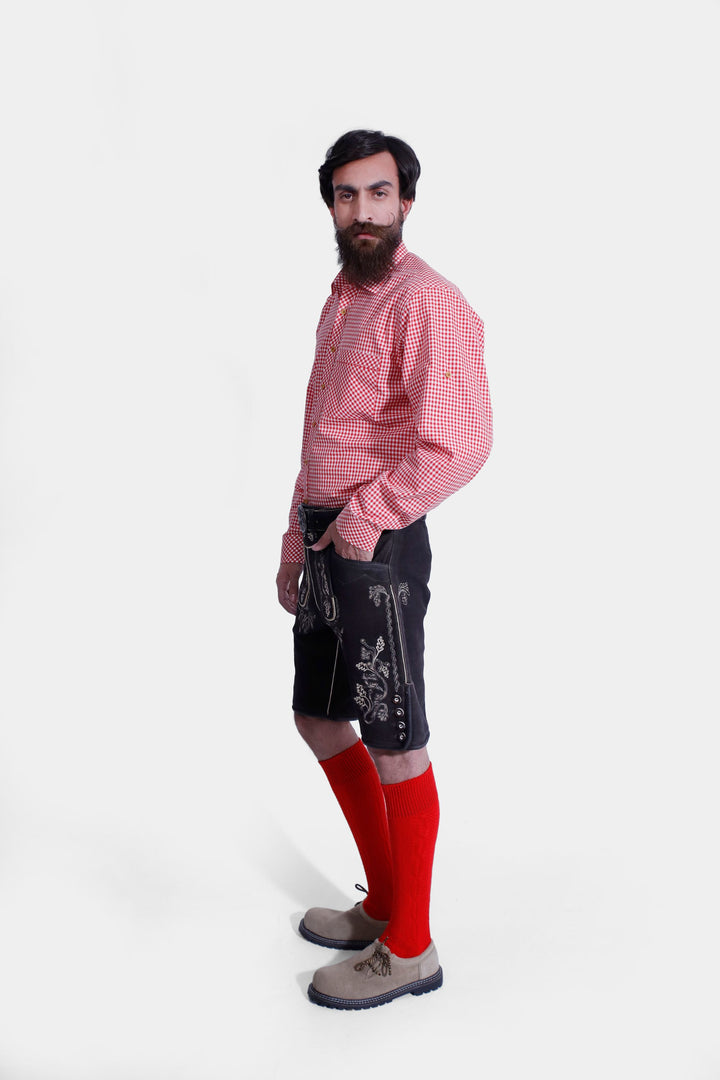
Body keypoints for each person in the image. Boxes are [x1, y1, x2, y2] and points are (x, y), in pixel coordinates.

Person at [276, 129, 492, 1010]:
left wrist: (362, 521)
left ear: (405, 201)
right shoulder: (343, 298)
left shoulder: (427, 301)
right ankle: (388, 902)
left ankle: (411, 948)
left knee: (398, 742)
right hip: (328, 537)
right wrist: (298, 538)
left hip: (381, 547)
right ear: (330, 204)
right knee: (321, 719)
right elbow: (325, 428)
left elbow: (462, 443)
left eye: (377, 194)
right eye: (344, 195)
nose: (360, 211)